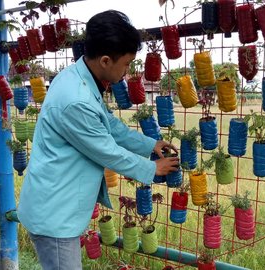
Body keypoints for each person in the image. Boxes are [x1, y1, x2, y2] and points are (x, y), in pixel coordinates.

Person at [17, 10, 180, 269]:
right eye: (126, 64)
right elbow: (106, 150)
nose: (127, 72)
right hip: (55, 216)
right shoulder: (76, 100)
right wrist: (151, 168)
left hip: (58, 206)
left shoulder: (79, 79)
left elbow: (109, 126)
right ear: (105, 60)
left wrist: (150, 145)